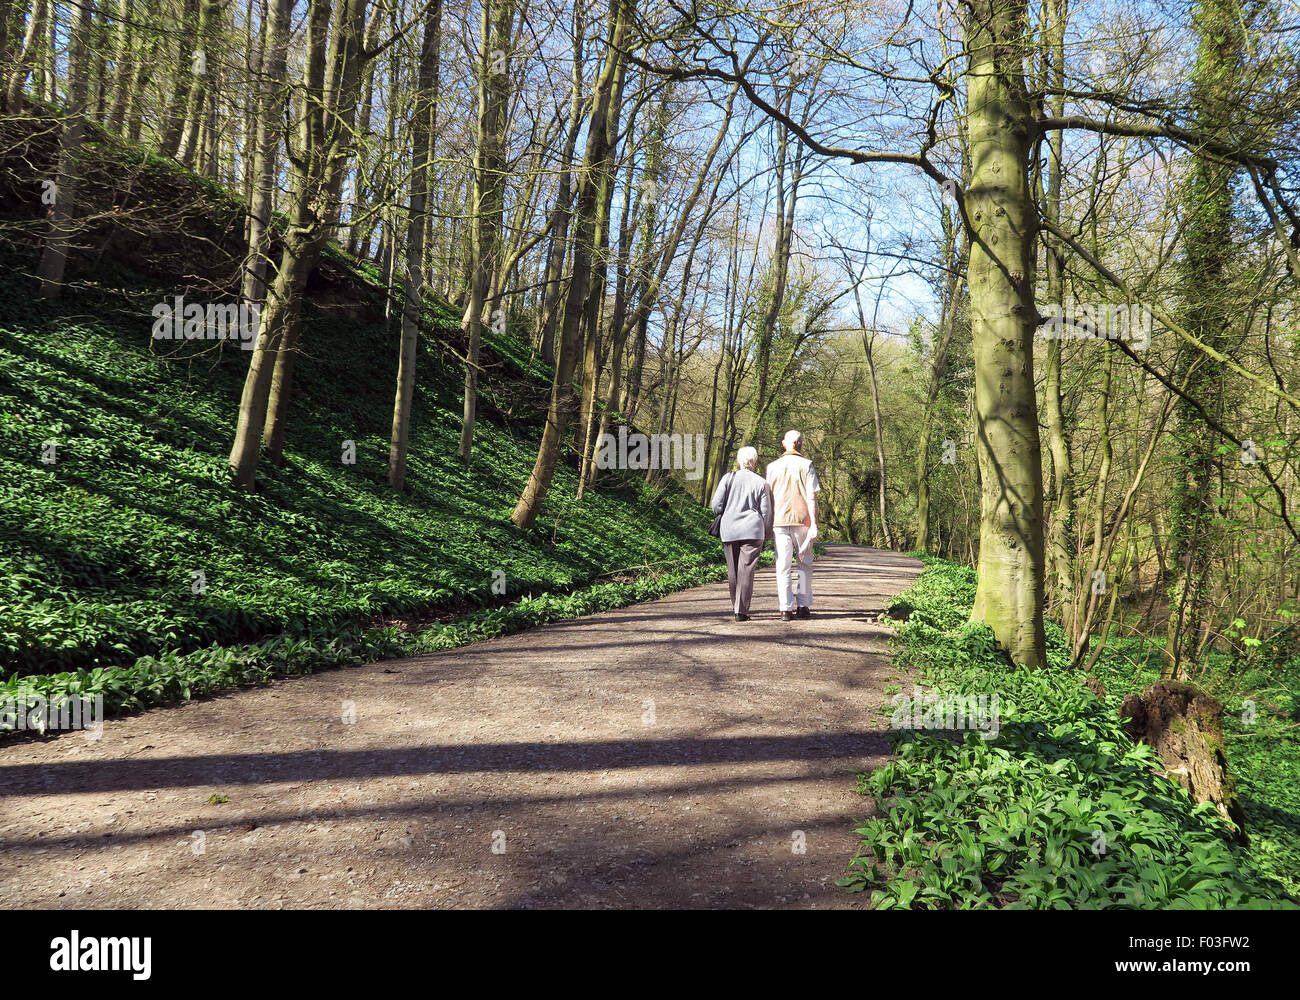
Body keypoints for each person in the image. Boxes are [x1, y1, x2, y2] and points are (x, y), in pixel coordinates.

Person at [710, 446, 773, 621]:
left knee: (733, 570)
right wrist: (768, 531)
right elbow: (765, 511)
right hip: (753, 531)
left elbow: (716, 506)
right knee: (747, 570)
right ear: (755, 462)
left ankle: (735, 606)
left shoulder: (727, 478)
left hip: (729, 529)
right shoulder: (762, 482)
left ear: (738, 461)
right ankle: (741, 610)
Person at [765, 430, 822, 621]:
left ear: (784, 444)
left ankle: (785, 609)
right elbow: (811, 496)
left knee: (782, 566)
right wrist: (814, 523)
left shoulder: (771, 467)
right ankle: (804, 605)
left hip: (779, 521)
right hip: (802, 521)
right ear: (801, 445)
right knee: (804, 564)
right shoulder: (807, 465)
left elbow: (768, 497)